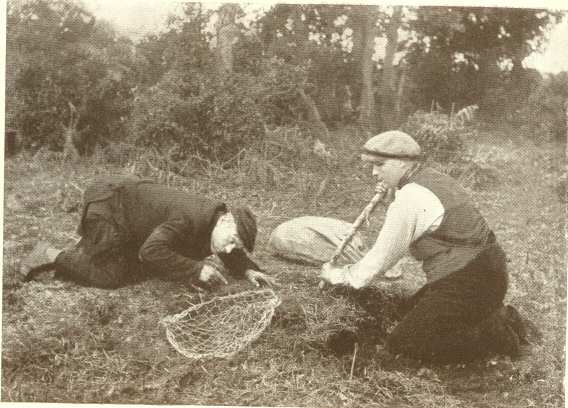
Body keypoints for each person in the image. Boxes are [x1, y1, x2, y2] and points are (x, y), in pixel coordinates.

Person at [319, 130, 535, 363]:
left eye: (380, 165)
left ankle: (496, 336)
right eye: (372, 165)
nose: (374, 172)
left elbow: (381, 258)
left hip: (469, 280)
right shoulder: (431, 178)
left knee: (404, 345)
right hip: (489, 270)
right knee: (403, 315)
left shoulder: (411, 198)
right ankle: (490, 315)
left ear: (404, 163)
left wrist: (339, 276)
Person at [20, 175, 276, 290]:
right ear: (226, 220)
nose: (230, 249)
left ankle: (92, 247)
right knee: (111, 277)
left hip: (131, 215)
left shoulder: (214, 220)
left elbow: (225, 245)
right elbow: (151, 250)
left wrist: (246, 268)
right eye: (233, 240)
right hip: (109, 205)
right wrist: (195, 269)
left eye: (236, 247)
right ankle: (50, 253)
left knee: (147, 268)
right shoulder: (189, 219)